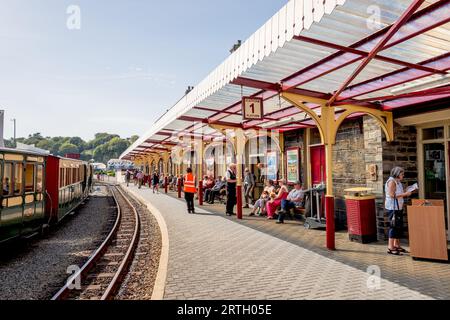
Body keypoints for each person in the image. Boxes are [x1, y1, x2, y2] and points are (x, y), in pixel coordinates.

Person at [385, 167, 412, 255]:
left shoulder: (398, 182)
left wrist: (407, 190)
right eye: (402, 174)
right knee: (394, 226)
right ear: (397, 174)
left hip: (398, 207)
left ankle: (396, 245)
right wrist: (405, 194)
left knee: (398, 226)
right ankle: (390, 247)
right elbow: (392, 195)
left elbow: (398, 192)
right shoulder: (392, 181)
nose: (403, 175)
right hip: (393, 207)